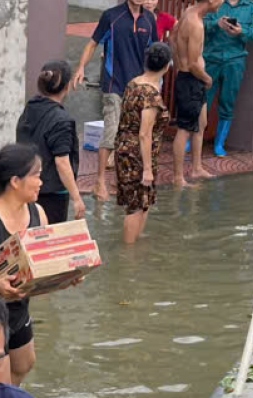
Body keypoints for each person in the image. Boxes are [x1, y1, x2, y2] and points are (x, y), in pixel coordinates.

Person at [0, 144, 50, 385]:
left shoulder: (38, 213)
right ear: (15, 181)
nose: (41, 182)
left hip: (18, 307)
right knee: (0, 379)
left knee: (24, 363)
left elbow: (47, 260)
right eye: (36, 176)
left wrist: (69, 274)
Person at [72, 0, 159, 203]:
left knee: (132, 136)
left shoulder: (149, 20)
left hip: (138, 87)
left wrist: (154, 80)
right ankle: (100, 181)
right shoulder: (112, 16)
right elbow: (93, 43)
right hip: (114, 84)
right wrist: (81, 67)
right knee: (111, 134)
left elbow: (154, 50)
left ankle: (124, 178)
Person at [115, 41, 174, 245]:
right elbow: (144, 134)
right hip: (138, 154)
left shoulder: (133, 83)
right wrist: (147, 169)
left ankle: (137, 243)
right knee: (136, 204)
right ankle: (129, 253)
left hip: (125, 147)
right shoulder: (151, 96)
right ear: (167, 66)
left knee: (143, 200)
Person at [17, 60, 87, 223]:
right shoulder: (61, 120)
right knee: (49, 234)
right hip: (51, 193)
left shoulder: (30, 108)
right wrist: (77, 197)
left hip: (26, 186)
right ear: (67, 86)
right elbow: (62, 162)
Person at [203, 0, 253, 158]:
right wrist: (216, 24)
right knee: (202, 100)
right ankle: (193, 138)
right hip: (211, 58)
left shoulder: (250, 6)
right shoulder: (215, 2)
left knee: (228, 101)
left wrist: (241, 32)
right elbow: (201, 25)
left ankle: (219, 143)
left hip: (235, 60)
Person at [171, 0, 220, 187]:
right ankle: (178, 177)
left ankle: (197, 168)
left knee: (201, 124)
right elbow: (192, 64)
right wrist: (207, 79)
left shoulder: (189, 12)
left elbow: (173, 38)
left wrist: (178, 63)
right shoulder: (196, 24)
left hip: (191, 79)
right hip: (191, 80)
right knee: (184, 129)